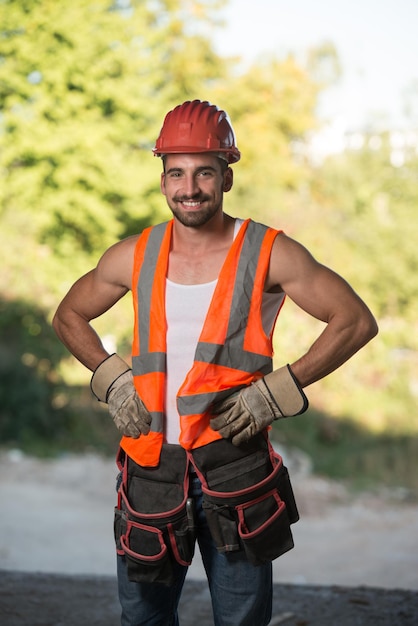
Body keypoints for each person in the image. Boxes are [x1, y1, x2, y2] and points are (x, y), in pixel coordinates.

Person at [53, 99, 378, 626]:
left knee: (242, 620)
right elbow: (69, 315)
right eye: (175, 173)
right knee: (142, 619)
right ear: (162, 181)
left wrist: (277, 390)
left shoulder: (270, 251)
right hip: (151, 470)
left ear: (226, 175)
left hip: (236, 470)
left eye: (204, 171)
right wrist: (113, 380)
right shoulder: (134, 254)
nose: (189, 187)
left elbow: (355, 320)